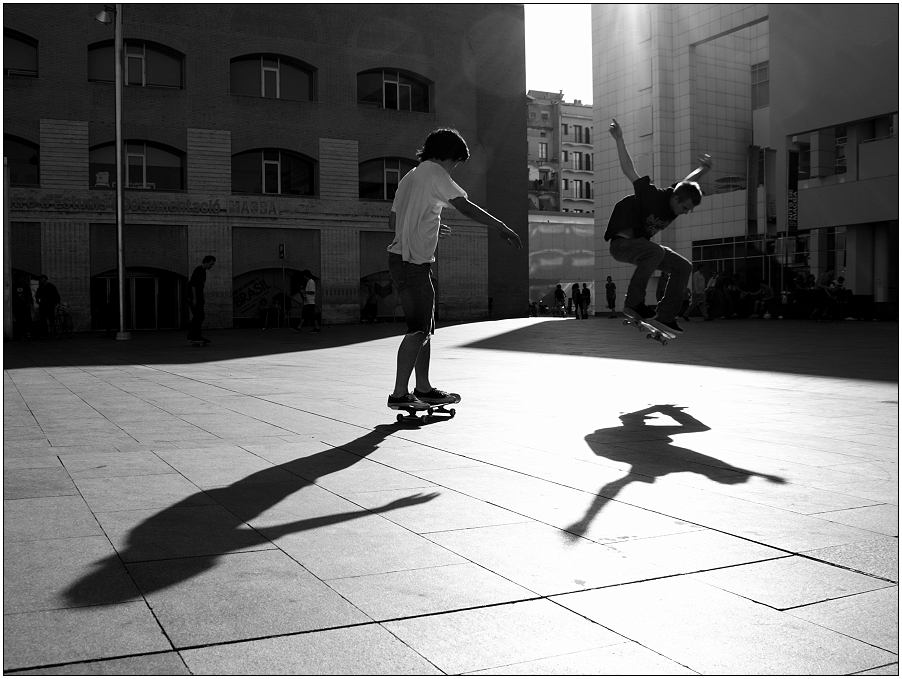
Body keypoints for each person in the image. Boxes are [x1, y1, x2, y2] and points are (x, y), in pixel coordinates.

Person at [386, 128, 522, 411]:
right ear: (446, 155)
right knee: (417, 330)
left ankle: (423, 388)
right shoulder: (436, 174)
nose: (454, 169)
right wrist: (503, 227)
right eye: (456, 162)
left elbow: (393, 223)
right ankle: (400, 394)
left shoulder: (410, 177)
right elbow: (467, 208)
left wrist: (431, 225)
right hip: (413, 264)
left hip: (401, 261)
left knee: (425, 330)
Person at [605, 118, 713, 334]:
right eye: (685, 208)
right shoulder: (652, 196)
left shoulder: (679, 193)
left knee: (683, 267)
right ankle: (633, 303)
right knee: (654, 251)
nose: (685, 213)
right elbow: (629, 170)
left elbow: (686, 182)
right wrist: (619, 139)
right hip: (622, 245)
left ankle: (665, 316)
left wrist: (702, 169)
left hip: (642, 247)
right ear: (675, 199)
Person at [187, 255, 215, 344]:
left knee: (199, 317)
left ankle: (193, 337)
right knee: (198, 317)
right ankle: (195, 336)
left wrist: (202, 297)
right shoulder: (199, 270)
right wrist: (194, 299)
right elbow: (193, 285)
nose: (211, 266)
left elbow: (200, 287)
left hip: (198, 297)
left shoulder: (203, 271)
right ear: (206, 262)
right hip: (194, 298)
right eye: (210, 264)